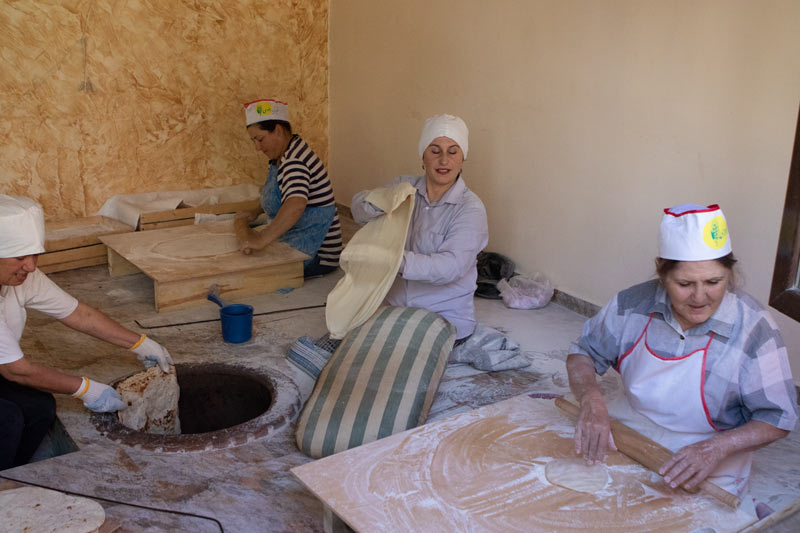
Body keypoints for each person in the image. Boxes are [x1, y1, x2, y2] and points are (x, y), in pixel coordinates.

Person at [567, 203, 797, 499]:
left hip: (711, 455)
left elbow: (778, 418)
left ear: (730, 274)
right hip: (629, 431)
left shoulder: (754, 328)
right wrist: (590, 398)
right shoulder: (632, 305)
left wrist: (717, 448)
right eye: (685, 284)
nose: (700, 297)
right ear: (662, 275)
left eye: (714, 282)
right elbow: (583, 353)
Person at [0, 195, 173, 471]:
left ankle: (13, 477)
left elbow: (79, 314)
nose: (31, 266)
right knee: (7, 420)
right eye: (20, 257)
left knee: (40, 408)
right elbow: (17, 371)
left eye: (35, 254)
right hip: (6, 369)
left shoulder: (23, 277)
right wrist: (85, 388)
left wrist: (140, 343)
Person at [350, 114, 489, 341]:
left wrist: (393, 259)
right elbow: (358, 210)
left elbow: (451, 267)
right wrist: (382, 201)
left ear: (463, 158)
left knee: (394, 355)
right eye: (435, 151)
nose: (444, 160)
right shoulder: (404, 187)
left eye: (453, 152)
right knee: (347, 340)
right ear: (423, 156)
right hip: (393, 306)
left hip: (443, 316)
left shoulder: (470, 209)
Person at [235, 99, 342, 278]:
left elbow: (295, 204)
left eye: (260, 139)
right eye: (254, 141)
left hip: (318, 254)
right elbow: (280, 193)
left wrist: (261, 240)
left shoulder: (295, 161)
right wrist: (254, 212)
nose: (257, 147)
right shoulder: (283, 156)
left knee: (246, 272)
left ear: (278, 130)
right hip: (299, 239)